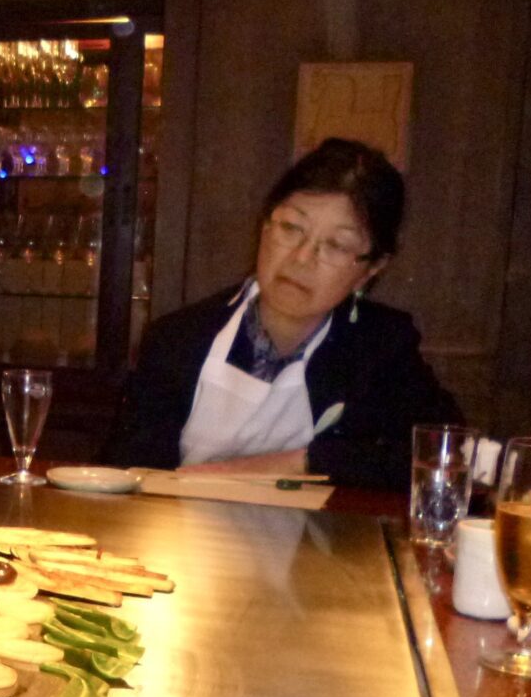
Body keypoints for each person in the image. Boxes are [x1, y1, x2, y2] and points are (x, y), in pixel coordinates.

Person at [105, 138, 460, 491]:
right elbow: (125, 471)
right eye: (291, 228)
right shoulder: (177, 339)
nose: (302, 258)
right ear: (265, 225)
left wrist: (302, 462)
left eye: (337, 245)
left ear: (370, 270)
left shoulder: (382, 347)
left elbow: (447, 454)